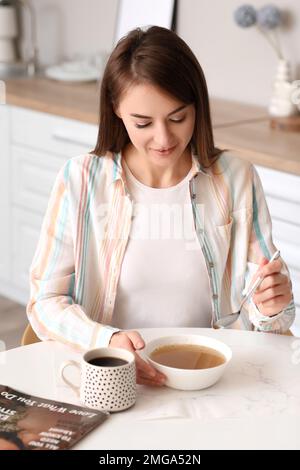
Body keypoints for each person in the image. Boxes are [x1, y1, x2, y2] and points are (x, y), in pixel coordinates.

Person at [26, 26, 295, 387]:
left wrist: (271, 304)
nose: (164, 138)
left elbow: (273, 322)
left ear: (197, 105)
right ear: (115, 109)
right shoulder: (81, 180)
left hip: (216, 381)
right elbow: (45, 303)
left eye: (177, 117)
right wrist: (107, 341)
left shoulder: (236, 178)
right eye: (143, 123)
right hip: (116, 381)